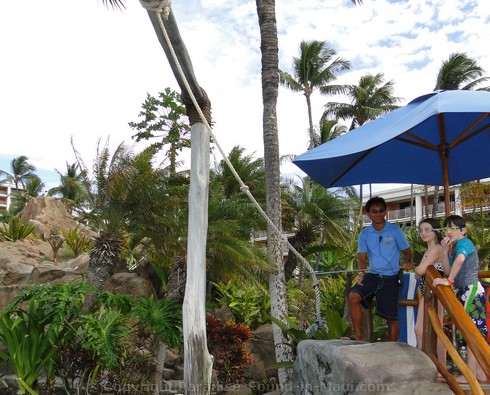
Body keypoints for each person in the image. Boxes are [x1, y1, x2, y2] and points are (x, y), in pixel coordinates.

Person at [346, 196, 413, 341]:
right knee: (353, 296)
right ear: (368, 214)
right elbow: (362, 257)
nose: (378, 214)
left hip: (391, 277)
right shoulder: (364, 234)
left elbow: (408, 251)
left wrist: (408, 261)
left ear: (385, 212)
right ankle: (357, 336)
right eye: (374, 211)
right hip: (372, 275)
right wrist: (361, 272)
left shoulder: (395, 230)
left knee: (391, 318)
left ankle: (392, 348)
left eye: (381, 211)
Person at [432, 215, 488, 383]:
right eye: (446, 228)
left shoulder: (464, 243)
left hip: (470, 290)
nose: (448, 231)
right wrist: (443, 252)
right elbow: (449, 269)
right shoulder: (456, 247)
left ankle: (471, 373)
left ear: (463, 230)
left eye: (453, 228)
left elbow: (460, 261)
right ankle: (478, 373)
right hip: (466, 290)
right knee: (472, 331)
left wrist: (448, 281)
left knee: (470, 331)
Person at [413, 218, 449, 367]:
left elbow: (420, 271)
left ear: (436, 231)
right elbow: (417, 275)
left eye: (427, 229)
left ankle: (436, 366)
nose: (423, 233)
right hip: (427, 292)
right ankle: (430, 365)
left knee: (432, 329)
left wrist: (417, 268)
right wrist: (418, 270)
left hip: (435, 292)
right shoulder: (429, 250)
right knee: (423, 329)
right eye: (421, 230)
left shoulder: (436, 249)